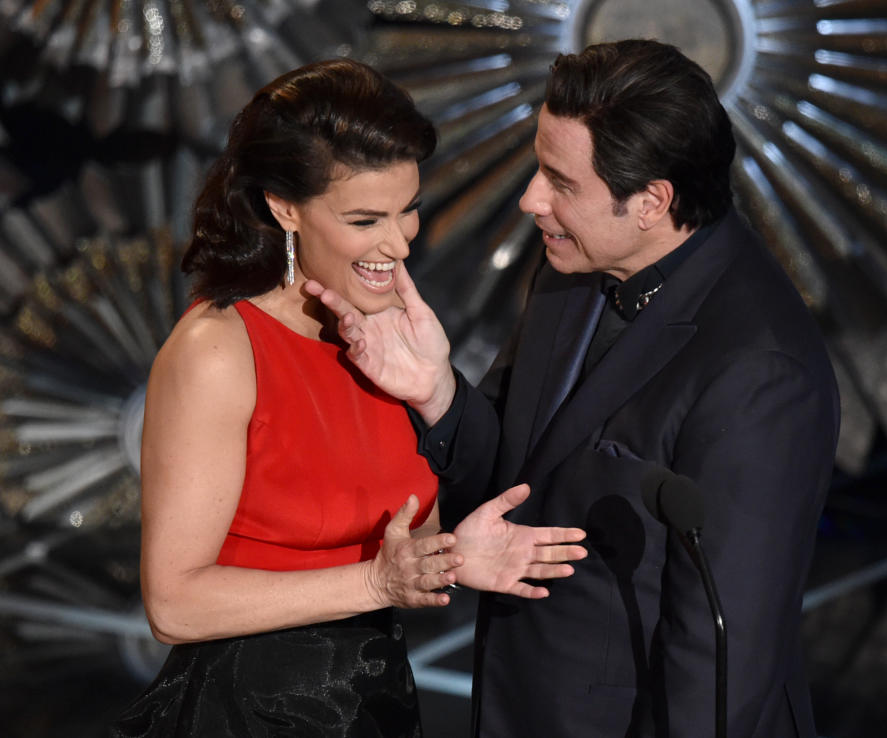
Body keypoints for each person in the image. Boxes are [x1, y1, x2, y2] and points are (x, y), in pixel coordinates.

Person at [310, 40, 841, 737]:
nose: (532, 199)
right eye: (538, 167)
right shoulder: (573, 267)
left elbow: (721, 656)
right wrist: (438, 393)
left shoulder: (760, 370)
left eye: (560, 182)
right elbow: (515, 476)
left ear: (651, 202)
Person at [110, 58, 587, 737]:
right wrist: (374, 587)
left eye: (409, 211)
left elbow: (400, 543)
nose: (397, 245)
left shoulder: (387, 338)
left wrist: (450, 548)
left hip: (374, 703)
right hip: (243, 713)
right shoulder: (218, 352)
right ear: (284, 208)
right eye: (365, 219)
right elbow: (174, 603)